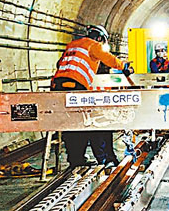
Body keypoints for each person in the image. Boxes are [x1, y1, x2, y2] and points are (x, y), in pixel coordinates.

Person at [51, 25, 132, 167]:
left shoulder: (72, 45)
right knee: (84, 123)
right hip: (76, 85)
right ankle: (102, 158)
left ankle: (76, 159)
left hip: (57, 85)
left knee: (72, 124)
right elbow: (109, 59)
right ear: (100, 38)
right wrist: (124, 67)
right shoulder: (93, 45)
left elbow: (60, 63)